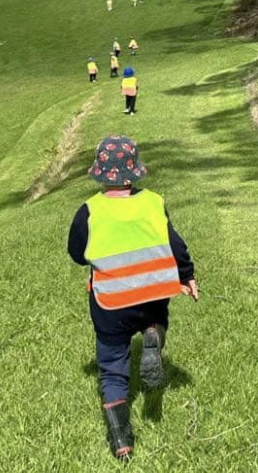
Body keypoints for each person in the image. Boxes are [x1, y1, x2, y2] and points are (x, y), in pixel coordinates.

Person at [67, 136, 198, 461]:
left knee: (112, 367)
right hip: (152, 296)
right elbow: (174, 243)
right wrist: (187, 275)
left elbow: (77, 253)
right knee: (156, 318)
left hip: (111, 302)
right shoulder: (153, 201)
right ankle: (153, 333)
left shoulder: (89, 211)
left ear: (99, 173)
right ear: (134, 171)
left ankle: (122, 440)